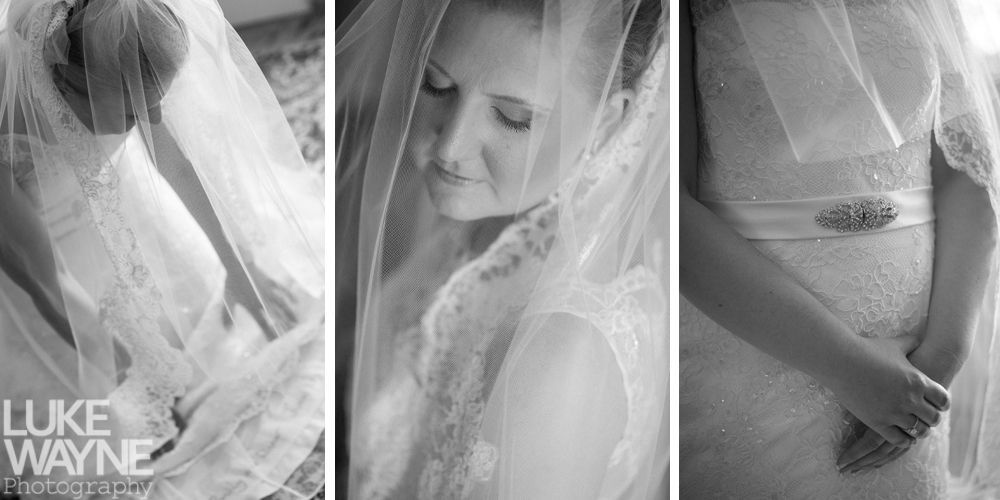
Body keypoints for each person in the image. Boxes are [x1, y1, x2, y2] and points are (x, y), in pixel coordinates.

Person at [335, 0, 668, 497]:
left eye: (514, 117)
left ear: (606, 124)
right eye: (436, 84)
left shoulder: (559, 359)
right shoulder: (488, 222)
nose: (450, 144)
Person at [0, 0, 325, 498]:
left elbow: (177, 166)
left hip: (125, 207)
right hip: (37, 258)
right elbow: (41, 278)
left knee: (211, 322)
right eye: (133, 109)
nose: (152, 115)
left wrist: (241, 267)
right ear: (66, 80)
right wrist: (135, 369)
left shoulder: (123, 57)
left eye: (158, 99)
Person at [679, 0, 1000, 497]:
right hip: (755, 354)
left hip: (917, 367)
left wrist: (942, 356)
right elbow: (669, 206)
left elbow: (967, 168)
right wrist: (845, 364)